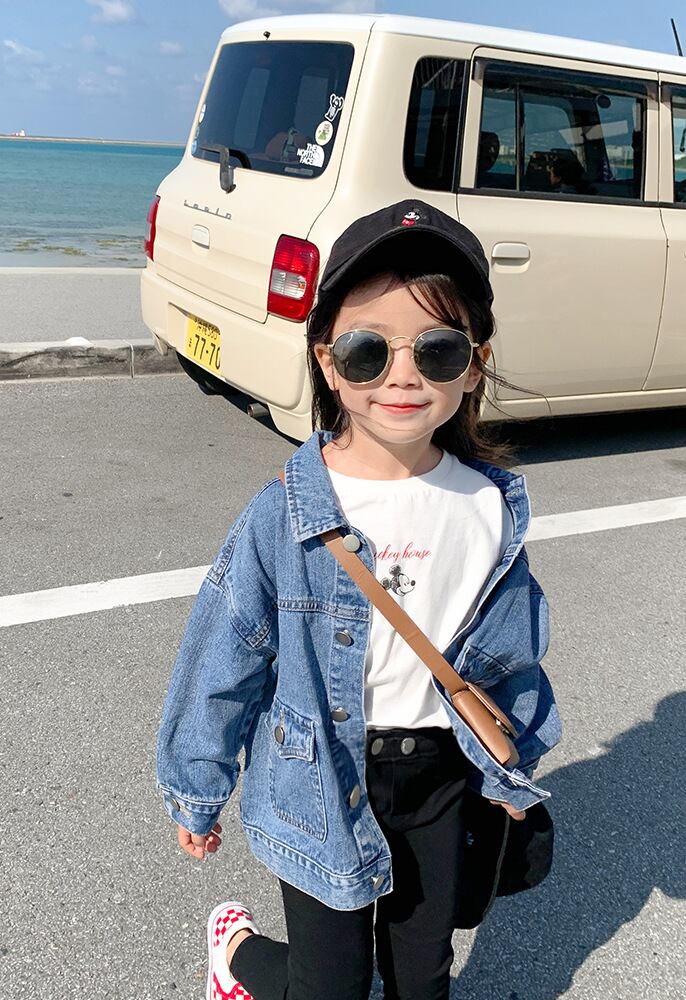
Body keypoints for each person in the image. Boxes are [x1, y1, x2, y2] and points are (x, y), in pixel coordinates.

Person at [156, 199, 561, 1000]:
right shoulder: (286, 511)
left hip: (441, 773)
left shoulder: (490, 506)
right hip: (317, 774)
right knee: (331, 985)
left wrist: (513, 768)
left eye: (437, 350)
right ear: (329, 361)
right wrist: (197, 787)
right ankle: (236, 955)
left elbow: (511, 656)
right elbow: (226, 650)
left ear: (474, 363)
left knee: (421, 972)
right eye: (368, 350)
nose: (403, 374)